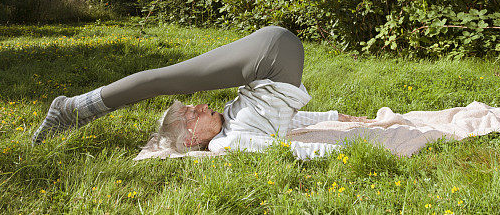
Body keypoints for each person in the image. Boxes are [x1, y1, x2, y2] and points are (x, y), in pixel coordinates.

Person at [32, 25, 368, 152]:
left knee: (163, 79)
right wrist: (346, 138)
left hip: (267, 55)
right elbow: (288, 140)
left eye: (191, 108)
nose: (198, 106)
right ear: (191, 139)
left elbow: (284, 123)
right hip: (270, 55)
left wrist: (335, 117)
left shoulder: (230, 125)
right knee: (160, 79)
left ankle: (74, 108)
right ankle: (71, 108)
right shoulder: (230, 142)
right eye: (191, 114)